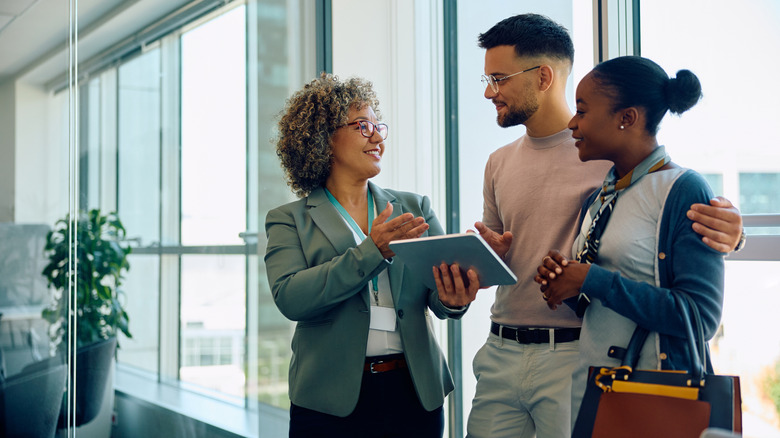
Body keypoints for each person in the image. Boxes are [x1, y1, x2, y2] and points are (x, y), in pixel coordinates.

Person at [432, 14, 743, 438]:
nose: (490, 92)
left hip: (578, 355)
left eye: (499, 78)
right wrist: (486, 262)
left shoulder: (610, 159)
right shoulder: (503, 163)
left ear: (543, 76)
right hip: (501, 350)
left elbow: (671, 216)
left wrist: (734, 235)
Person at [264, 73, 475, 438]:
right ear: (323, 139)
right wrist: (370, 252)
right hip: (329, 401)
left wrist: (454, 296)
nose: (377, 136)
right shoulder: (289, 220)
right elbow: (291, 298)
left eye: (379, 126)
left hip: (415, 392)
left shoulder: (413, 207)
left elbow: (438, 299)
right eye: (363, 125)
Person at [534, 55, 725, 428]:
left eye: (582, 111)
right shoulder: (601, 197)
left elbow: (700, 318)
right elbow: (600, 303)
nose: (572, 124)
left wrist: (590, 278)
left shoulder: (683, 189)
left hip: (655, 395)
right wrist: (566, 284)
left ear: (628, 118)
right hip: (594, 392)